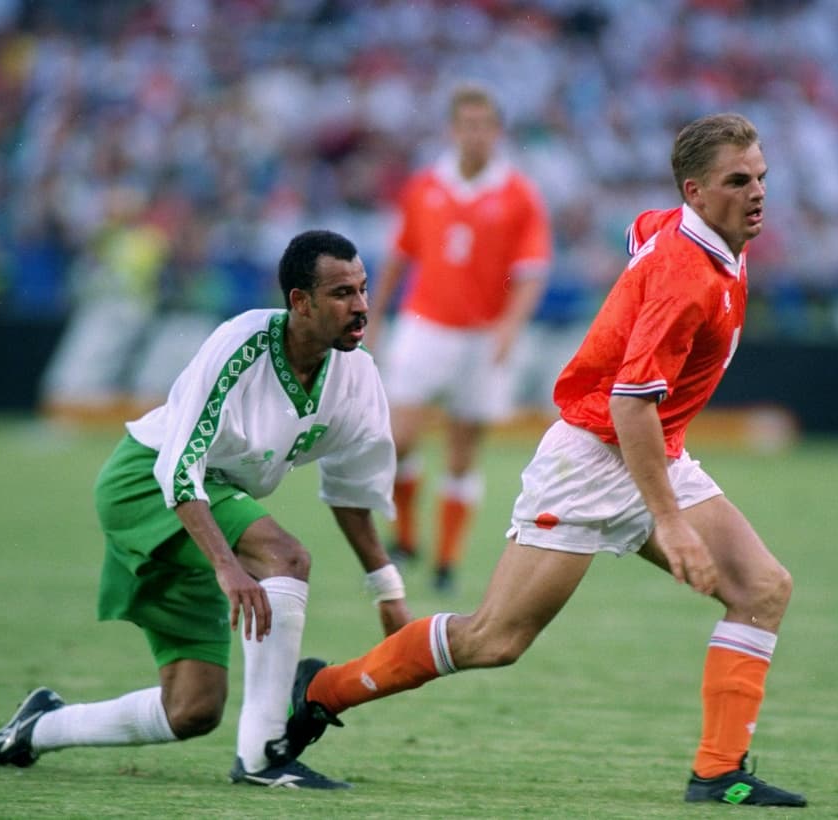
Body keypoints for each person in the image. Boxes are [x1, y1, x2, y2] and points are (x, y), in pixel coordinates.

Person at [276, 114, 807, 807]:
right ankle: (322, 691)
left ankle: (719, 773)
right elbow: (629, 404)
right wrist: (670, 523)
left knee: (762, 588)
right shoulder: (687, 277)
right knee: (494, 641)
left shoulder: (685, 232)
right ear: (696, 192)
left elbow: (639, 230)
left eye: (761, 177)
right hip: (592, 460)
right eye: (739, 181)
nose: (757, 192)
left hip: (650, 453)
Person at [0, 230, 413, 790]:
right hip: (146, 485)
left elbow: (350, 487)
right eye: (343, 293)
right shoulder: (239, 346)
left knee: (192, 710)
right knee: (286, 558)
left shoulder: (357, 375)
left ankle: (36, 729)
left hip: (207, 509)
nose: (362, 306)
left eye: (364, 289)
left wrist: (387, 588)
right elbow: (179, 467)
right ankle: (264, 756)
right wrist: (227, 565)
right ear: (300, 301)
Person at [367, 83, 553, 593]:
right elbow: (399, 256)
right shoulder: (424, 186)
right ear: (453, 130)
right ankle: (405, 535)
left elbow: (532, 271)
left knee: (462, 451)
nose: (475, 134)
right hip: (424, 326)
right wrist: (375, 316)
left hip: (481, 336)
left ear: (497, 131)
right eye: (466, 124)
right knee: (399, 439)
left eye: (484, 125)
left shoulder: (518, 195)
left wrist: (511, 327)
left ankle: (447, 561)